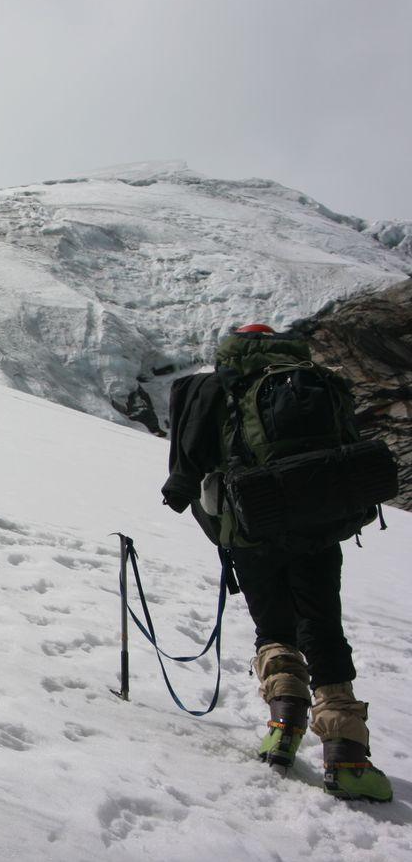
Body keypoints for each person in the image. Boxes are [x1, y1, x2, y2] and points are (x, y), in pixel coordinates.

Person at [162, 323, 393, 802]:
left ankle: (283, 728)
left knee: (275, 630)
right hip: (320, 526)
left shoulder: (213, 387)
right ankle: (347, 756)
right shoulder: (316, 380)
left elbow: (188, 464)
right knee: (322, 626)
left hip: (251, 528)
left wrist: (182, 494)